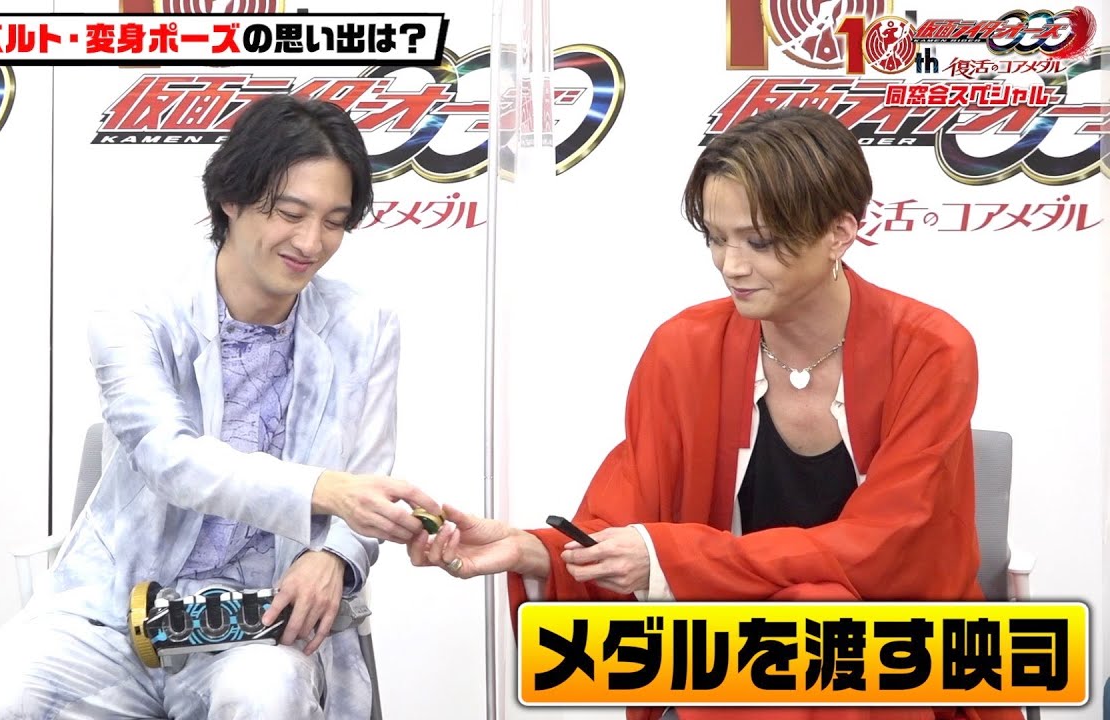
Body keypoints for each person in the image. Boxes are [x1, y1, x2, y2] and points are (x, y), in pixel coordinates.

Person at [408, 107, 1022, 720]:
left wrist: (676, 560)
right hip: (725, 662)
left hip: (889, 659)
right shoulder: (685, 348)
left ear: (839, 233)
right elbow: (628, 514)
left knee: (817, 608)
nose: (731, 265)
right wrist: (530, 550)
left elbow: (890, 544)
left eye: (759, 241)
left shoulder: (930, 349)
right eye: (715, 238)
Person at [0, 94, 440, 720]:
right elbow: (168, 458)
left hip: (262, 620)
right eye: (291, 213)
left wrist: (333, 556)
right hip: (113, 614)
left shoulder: (364, 325)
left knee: (264, 695)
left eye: (335, 222)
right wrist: (325, 490)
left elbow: (366, 482)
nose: (311, 242)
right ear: (231, 198)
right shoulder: (135, 312)